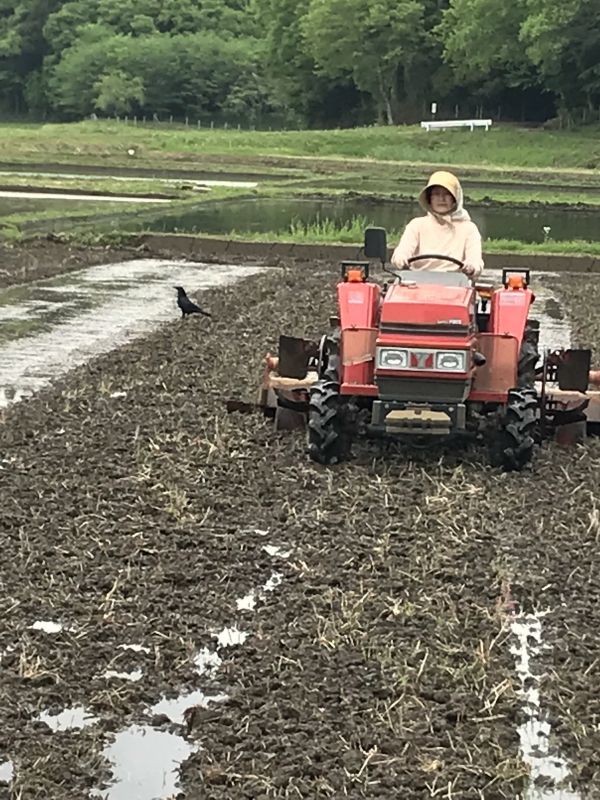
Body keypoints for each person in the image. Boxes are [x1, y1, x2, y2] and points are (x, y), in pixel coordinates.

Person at [390, 170, 484, 279]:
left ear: (455, 199)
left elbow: (475, 259)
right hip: (417, 282)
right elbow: (402, 251)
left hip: (456, 284)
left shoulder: (469, 228)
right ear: (429, 199)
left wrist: (471, 267)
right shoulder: (416, 225)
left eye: (447, 194)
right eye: (436, 194)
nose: (441, 199)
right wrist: (401, 258)